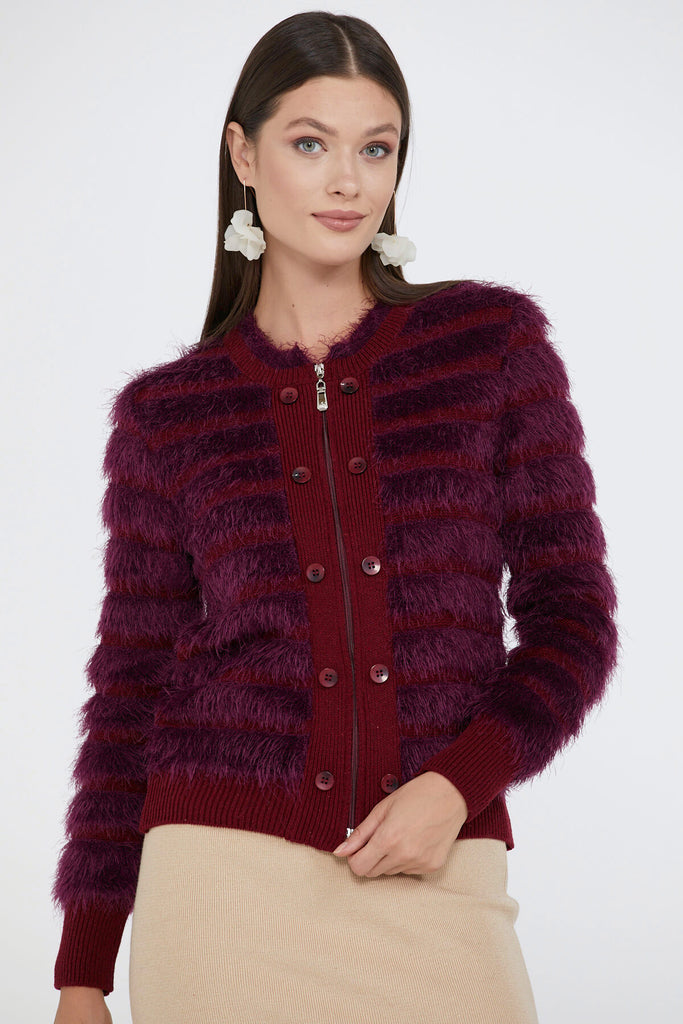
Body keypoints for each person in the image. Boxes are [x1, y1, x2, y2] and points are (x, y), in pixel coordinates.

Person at [51, 11, 619, 1024]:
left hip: (436, 865)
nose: (347, 182)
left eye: (375, 148)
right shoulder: (167, 416)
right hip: (219, 891)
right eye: (309, 144)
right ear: (243, 154)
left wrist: (457, 785)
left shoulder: (489, 346)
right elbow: (130, 689)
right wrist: (82, 971)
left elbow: (571, 617)